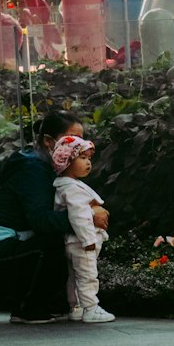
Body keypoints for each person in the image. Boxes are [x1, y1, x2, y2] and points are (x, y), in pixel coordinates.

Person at [0, 111, 108, 324]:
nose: (78, 147)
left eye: (81, 141)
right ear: (48, 141)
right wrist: (89, 218)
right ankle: (28, 306)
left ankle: (52, 303)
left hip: (10, 255)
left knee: (70, 242)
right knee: (52, 242)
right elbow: (41, 220)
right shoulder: (32, 167)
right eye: (71, 140)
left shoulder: (54, 169)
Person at [52, 134, 114, 323]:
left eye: (89, 159)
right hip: (81, 242)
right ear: (67, 162)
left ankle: (76, 306)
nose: (88, 163)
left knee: (75, 276)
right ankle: (91, 308)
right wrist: (88, 240)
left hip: (73, 242)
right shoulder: (72, 188)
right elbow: (80, 215)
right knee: (88, 275)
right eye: (82, 158)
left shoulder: (68, 185)